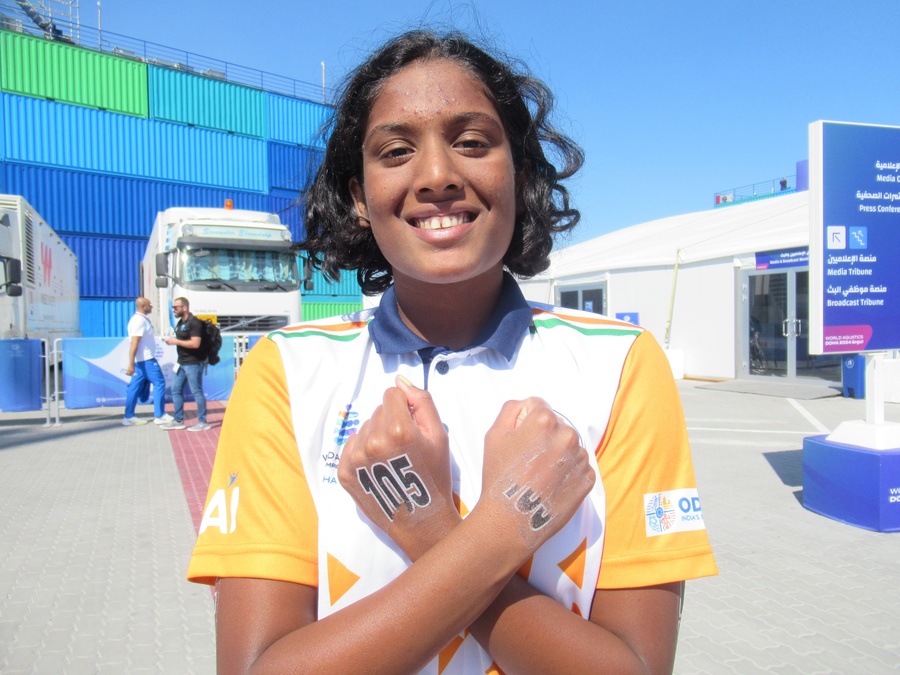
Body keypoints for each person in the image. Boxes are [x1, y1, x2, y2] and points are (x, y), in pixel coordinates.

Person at [188, 31, 717, 674]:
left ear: (519, 173)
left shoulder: (619, 366)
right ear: (358, 195)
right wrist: (500, 532)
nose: (437, 176)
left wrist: (430, 526)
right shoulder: (289, 371)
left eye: (472, 142)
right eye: (396, 150)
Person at [161, 297, 210, 432]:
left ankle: (202, 421)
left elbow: (195, 343)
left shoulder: (194, 323)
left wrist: (176, 342)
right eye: (173, 308)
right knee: (175, 389)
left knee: (196, 392)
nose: (174, 310)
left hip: (193, 363)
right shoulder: (180, 323)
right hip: (182, 362)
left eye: (176, 307)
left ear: (185, 308)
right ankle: (178, 420)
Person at [122, 296, 170, 426]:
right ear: (143, 306)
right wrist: (131, 363)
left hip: (141, 360)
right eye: (150, 304)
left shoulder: (140, 319)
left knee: (134, 387)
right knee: (159, 383)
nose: (152, 306)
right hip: (146, 359)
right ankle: (159, 415)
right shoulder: (139, 321)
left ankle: (128, 416)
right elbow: (134, 343)